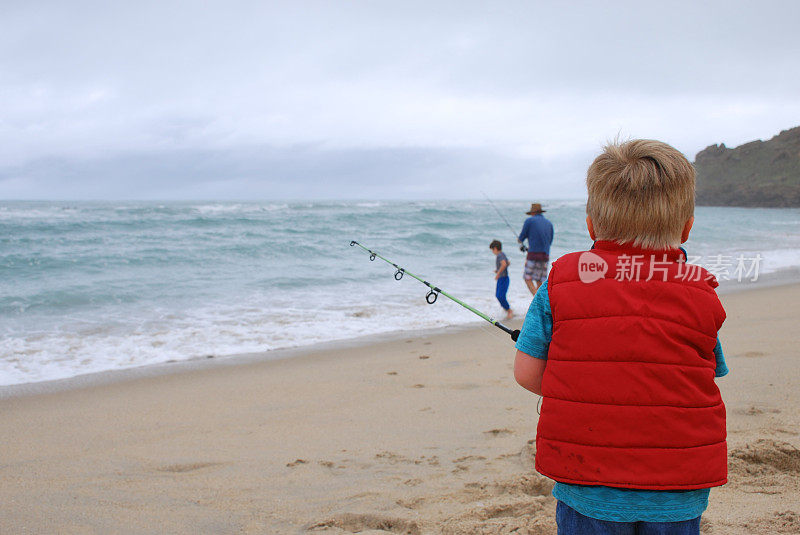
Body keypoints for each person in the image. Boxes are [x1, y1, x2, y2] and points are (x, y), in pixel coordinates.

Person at [513, 139, 729, 535]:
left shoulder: (562, 278)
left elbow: (527, 373)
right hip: (679, 485)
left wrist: (579, 384)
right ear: (687, 226)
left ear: (591, 224)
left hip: (588, 479)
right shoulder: (701, 289)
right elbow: (703, 373)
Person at [518, 203, 554, 295]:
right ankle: (540, 305)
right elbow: (550, 241)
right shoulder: (549, 223)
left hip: (533, 255)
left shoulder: (529, 221)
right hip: (545, 255)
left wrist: (519, 241)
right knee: (539, 281)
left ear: (532, 213)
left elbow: (521, 238)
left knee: (527, 278)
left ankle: (536, 299)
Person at [490, 240, 513, 320]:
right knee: (499, 295)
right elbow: (508, 263)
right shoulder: (503, 254)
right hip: (503, 278)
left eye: (492, 250)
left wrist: (498, 274)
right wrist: (498, 270)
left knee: (500, 296)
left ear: (495, 248)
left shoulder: (500, 255)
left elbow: (504, 264)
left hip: (503, 278)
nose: (493, 252)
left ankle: (509, 311)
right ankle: (507, 310)